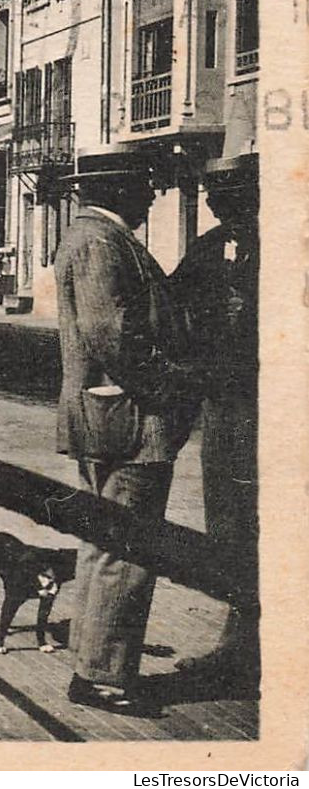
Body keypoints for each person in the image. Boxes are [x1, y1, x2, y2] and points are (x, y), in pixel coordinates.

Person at [53, 149, 202, 716]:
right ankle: (102, 676)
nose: (151, 194)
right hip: (130, 423)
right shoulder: (100, 241)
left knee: (103, 542)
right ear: (116, 190)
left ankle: (91, 661)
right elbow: (112, 336)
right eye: (142, 185)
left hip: (108, 418)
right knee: (128, 547)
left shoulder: (91, 236)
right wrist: (174, 388)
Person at [168, 152, 260, 689]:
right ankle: (238, 643)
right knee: (228, 523)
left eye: (228, 194)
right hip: (225, 409)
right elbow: (172, 302)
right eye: (213, 195)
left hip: (267, 407)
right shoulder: (209, 248)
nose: (218, 204)